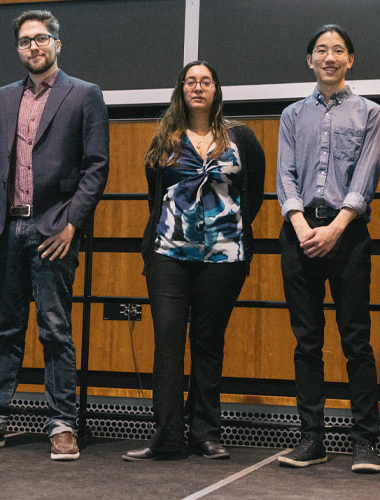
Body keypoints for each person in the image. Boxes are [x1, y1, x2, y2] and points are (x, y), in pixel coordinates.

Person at [0, 10, 109, 461]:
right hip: (3, 229)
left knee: (55, 329)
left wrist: (73, 224)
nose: (33, 47)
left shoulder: (85, 95)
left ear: (58, 43)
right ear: (18, 49)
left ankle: (62, 424)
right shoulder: (0, 98)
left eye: (41, 39)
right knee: (5, 328)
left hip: (54, 228)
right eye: (25, 41)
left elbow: (96, 168)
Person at [122, 61, 265, 461]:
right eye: (191, 81)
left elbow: (251, 194)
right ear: (180, 89)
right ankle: (167, 436)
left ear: (217, 89)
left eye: (206, 81)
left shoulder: (241, 137)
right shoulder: (164, 139)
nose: (198, 87)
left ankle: (205, 433)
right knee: (168, 342)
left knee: (208, 343)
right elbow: (154, 193)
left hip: (224, 256)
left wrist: (223, 230)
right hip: (169, 253)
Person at [276, 24, 380, 473]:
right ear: (310, 60)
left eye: (338, 50)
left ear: (350, 60)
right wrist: (301, 225)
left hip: (348, 235)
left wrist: (337, 227)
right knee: (307, 342)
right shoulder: (291, 114)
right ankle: (312, 439)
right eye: (321, 50)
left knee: (356, 339)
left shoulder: (370, 112)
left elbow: (367, 174)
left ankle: (365, 442)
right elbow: (285, 175)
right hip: (300, 234)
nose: (329, 57)